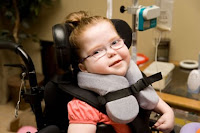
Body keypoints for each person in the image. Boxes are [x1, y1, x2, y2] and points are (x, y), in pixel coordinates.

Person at [65, 11, 174, 133]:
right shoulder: (84, 106)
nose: (111, 52)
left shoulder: (133, 78)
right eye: (96, 52)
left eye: (115, 42)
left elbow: (151, 99)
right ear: (84, 68)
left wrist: (168, 112)